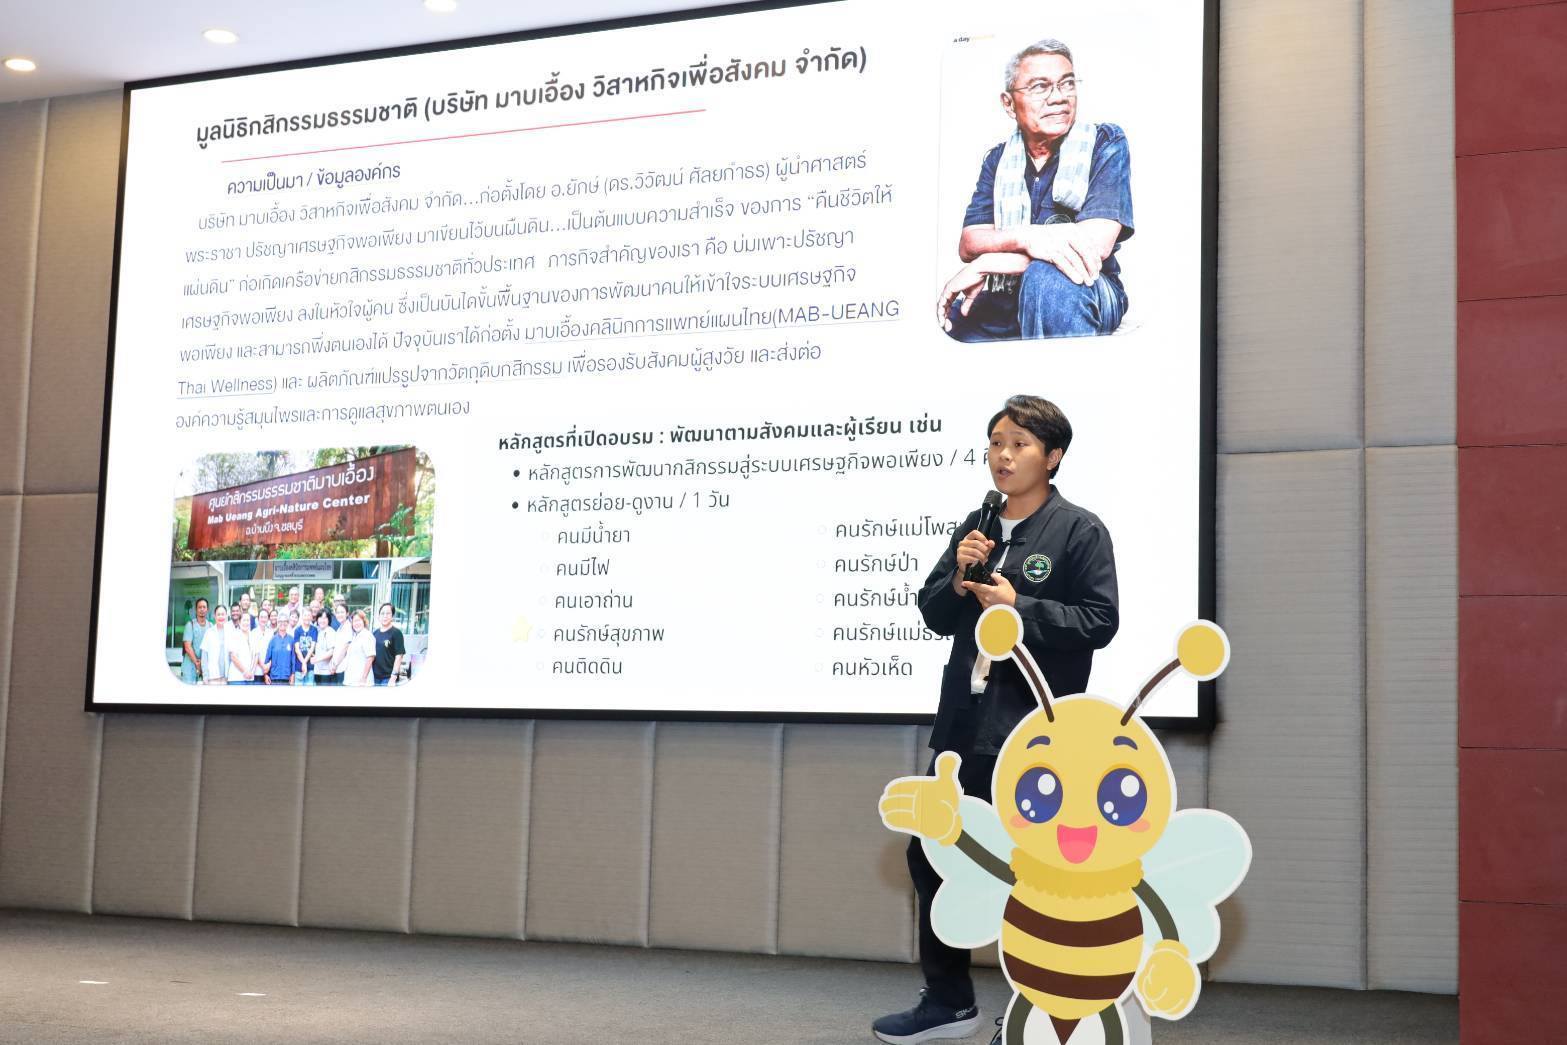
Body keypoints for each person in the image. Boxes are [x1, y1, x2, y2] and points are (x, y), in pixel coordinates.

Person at [873, 395, 1119, 1045]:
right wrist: (958, 579)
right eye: (995, 443)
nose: (1002, 456)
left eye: (1018, 444)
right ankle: (949, 1002)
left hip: (1032, 731)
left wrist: (1020, 605)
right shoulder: (977, 524)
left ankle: (1044, 1007)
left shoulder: (1079, 530)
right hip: (963, 724)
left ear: (1053, 456)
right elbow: (934, 612)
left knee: (1034, 873)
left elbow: (1100, 621)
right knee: (932, 854)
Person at [939, 39, 1134, 342]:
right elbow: (970, 242)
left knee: (1047, 280)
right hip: (1009, 295)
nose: (1059, 97)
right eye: (1040, 87)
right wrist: (1029, 238)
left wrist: (992, 262)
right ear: (1008, 103)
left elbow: (1091, 249)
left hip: (1087, 286)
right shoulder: (998, 159)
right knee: (947, 322)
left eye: (1067, 84)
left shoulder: (1104, 142)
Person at [371, 602, 406, 687]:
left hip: (388, 678)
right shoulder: (375, 633)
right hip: (374, 677)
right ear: (379, 616)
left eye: (388, 613)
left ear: (392, 616)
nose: (385, 616)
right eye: (382, 613)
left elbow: (399, 656)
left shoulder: (396, 633)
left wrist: (393, 677)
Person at [340, 610, 376, 687]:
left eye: (358, 620)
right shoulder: (355, 636)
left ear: (364, 621)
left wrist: (363, 679)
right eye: (354, 621)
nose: (356, 623)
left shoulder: (367, 635)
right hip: (351, 680)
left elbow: (370, 658)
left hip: (361, 682)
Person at [181, 598, 211, 683]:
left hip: (205, 666)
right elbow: (187, 647)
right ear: (196, 609)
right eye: (199, 607)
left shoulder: (210, 626)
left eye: (204, 607)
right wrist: (197, 663)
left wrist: (203, 664)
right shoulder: (190, 625)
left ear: (207, 609)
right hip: (190, 666)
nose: (202, 609)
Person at [313, 603, 344, 686]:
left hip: (327, 671)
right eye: (320, 617)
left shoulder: (330, 632)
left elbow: (332, 651)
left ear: (329, 620)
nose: (322, 620)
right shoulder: (318, 631)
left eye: (325, 618)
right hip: (318, 670)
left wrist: (318, 659)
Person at [198, 605, 230, 685]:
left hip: (227, 677)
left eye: (223, 614)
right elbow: (204, 656)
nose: (221, 617)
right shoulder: (209, 633)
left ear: (226, 616)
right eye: (218, 614)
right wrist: (205, 676)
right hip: (212, 676)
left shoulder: (231, 632)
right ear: (215, 616)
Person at [226, 610, 256, 684]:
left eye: (248, 620)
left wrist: (252, 671)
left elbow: (256, 655)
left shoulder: (253, 636)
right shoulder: (234, 635)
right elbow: (233, 657)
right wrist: (245, 671)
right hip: (237, 678)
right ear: (239, 622)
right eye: (244, 620)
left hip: (250, 677)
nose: (246, 622)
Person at [263, 616, 294, 685]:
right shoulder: (272, 640)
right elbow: (267, 658)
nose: (282, 623)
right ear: (277, 623)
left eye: (285, 621)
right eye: (280, 621)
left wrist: (293, 674)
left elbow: (293, 659)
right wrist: (266, 674)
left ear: (288, 623)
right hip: (274, 677)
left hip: (287, 677)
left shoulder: (291, 640)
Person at [291, 609, 317, 687]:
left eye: (309, 615)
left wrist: (304, 663)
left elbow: (312, 648)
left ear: (311, 617)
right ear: (302, 617)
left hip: (310, 666)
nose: (307, 617)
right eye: (305, 615)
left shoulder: (314, 630)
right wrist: (303, 663)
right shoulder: (297, 630)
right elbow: (297, 649)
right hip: (299, 666)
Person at [250, 608, 272, 685]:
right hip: (257, 671)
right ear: (258, 618)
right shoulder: (253, 633)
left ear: (268, 619)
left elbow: (272, 651)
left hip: (268, 670)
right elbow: (255, 652)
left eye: (265, 617)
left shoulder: (271, 633)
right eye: (261, 617)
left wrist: (268, 665)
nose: (263, 619)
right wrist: (263, 666)